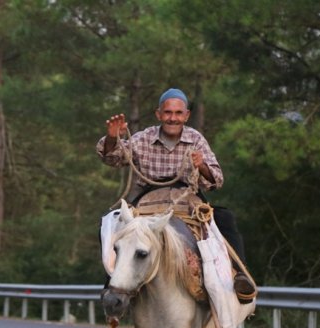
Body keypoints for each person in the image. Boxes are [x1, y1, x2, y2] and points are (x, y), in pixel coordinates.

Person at [96, 87, 255, 302]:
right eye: (168, 113)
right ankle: (113, 286)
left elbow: (216, 179)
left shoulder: (196, 139)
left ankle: (240, 276)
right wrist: (112, 137)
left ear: (186, 115)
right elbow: (112, 158)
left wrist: (203, 166)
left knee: (225, 218)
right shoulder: (144, 138)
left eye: (178, 113)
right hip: (148, 201)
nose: (173, 118)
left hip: (187, 200)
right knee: (110, 224)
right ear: (158, 114)